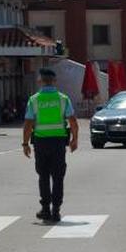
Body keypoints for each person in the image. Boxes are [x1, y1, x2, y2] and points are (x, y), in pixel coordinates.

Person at [22, 68, 79, 223]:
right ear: (54, 82)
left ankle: (45, 209)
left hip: (41, 143)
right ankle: (56, 211)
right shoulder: (63, 99)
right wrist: (75, 139)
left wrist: (25, 143)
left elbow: (28, 123)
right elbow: (73, 121)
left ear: (40, 81)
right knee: (58, 177)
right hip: (58, 143)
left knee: (44, 176)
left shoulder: (34, 100)